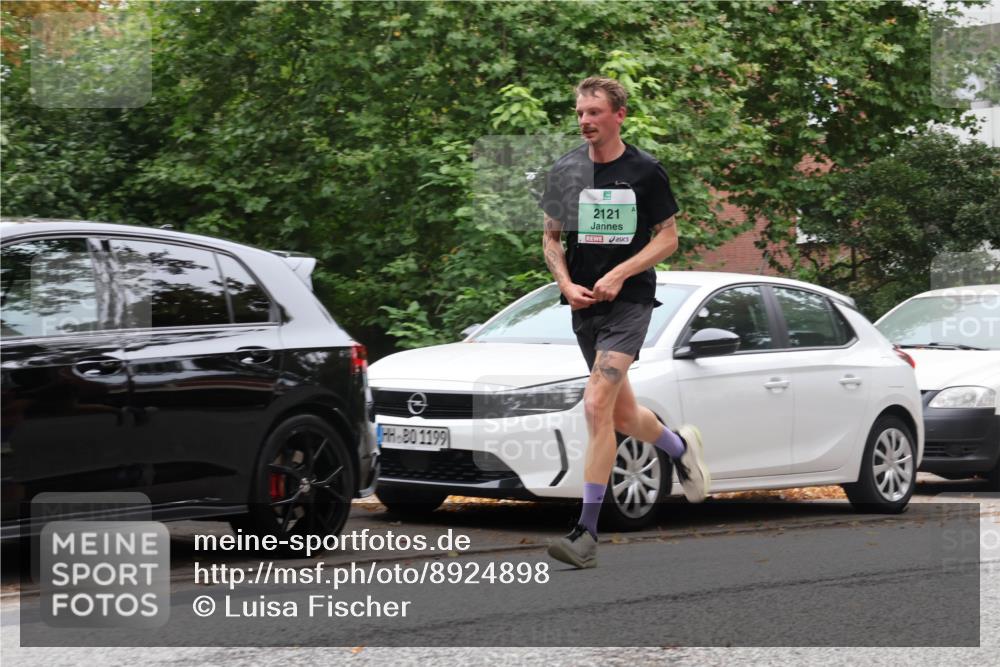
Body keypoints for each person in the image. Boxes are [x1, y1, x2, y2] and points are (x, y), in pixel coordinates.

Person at [539, 76, 710, 569]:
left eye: (594, 112)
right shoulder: (566, 171)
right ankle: (678, 446)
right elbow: (551, 239)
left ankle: (585, 534)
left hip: (630, 302)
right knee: (620, 415)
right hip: (584, 306)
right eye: (580, 113)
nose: (585, 121)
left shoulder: (645, 171)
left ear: (619, 115)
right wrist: (566, 284)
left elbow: (668, 238)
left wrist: (620, 273)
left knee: (595, 405)